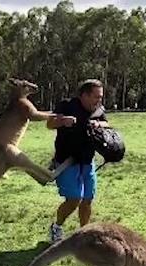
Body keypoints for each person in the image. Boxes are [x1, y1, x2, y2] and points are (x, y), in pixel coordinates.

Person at [46, 79, 110, 242]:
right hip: (67, 161)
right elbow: (49, 123)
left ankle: (84, 234)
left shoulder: (97, 110)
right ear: (84, 95)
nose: (99, 100)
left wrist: (98, 124)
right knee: (74, 198)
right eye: (96, 97)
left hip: (87, 160)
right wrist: (63, 121)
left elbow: (107, 123)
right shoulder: (67, 105)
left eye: (100, 97)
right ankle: (57, 226)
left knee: (87, 199)